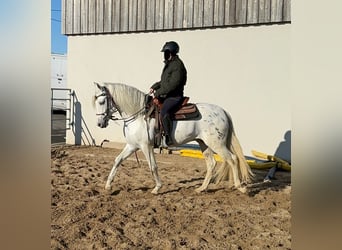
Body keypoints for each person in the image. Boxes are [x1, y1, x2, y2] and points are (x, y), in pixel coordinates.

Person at [150, 41, 187, 146]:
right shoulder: (170, 65)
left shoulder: (177, 66)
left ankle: (168, 137)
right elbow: (164, 82)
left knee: (164, 111)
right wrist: (154, 87)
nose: (164, 55)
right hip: (167, 95)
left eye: (166, 53)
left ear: (171, 53)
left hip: (174, 96)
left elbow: (172, 85)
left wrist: (158, 93)